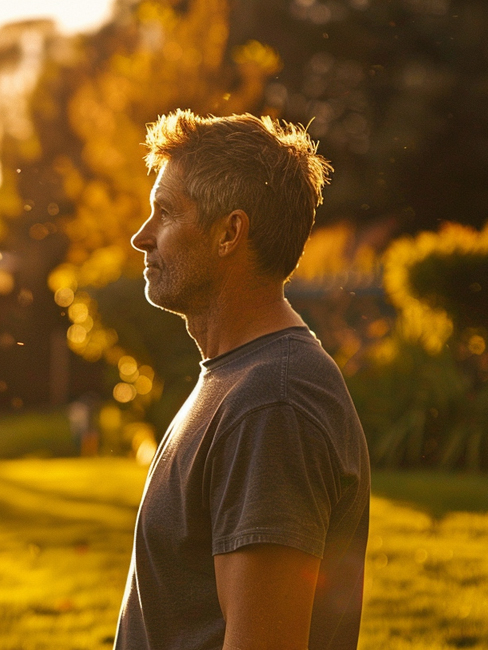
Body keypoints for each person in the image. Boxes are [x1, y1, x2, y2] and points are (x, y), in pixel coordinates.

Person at [114, 110, 370, 650]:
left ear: (230, 232)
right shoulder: (237, 378)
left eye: (164, 213)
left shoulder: (272, 402)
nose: (141, 237)